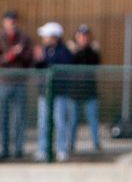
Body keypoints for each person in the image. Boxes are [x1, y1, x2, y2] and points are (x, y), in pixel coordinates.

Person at [34, 22, 74, 162]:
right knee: (43, 123)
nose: (44, 38)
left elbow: (61, 64)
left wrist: (44, 59)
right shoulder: (43, 50)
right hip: (44, 94)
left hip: (59, 94)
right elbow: (39, 66)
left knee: (60, 122)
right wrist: (38, 60)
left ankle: (61, 149)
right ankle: (42, 149)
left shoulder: (64, 51)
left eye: (46, 36)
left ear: (54, 37)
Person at [0, 10, 33, 160]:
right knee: (3, 118)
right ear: (4, 22)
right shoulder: (0, 38)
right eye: (8, 20)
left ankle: (19, 149)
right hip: (3, 83)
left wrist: (20, 54)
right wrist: (10, 56)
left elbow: (30, 58)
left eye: (13, 20)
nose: (11, 23)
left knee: (19, 118)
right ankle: (3, 148)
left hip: (20, 83)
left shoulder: (24, 38)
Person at [69, 25, 101, 152]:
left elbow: (95, 63)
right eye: (81, 36)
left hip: (90, 92)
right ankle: (70, 143)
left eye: (85, 36)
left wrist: (87, 50)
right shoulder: (72, 52)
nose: (83, 39)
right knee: (73, 120)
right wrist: (75, 50)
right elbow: (71, 62)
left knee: (93, 119)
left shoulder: (92, 52)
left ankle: (96, 143)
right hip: (74, 92)